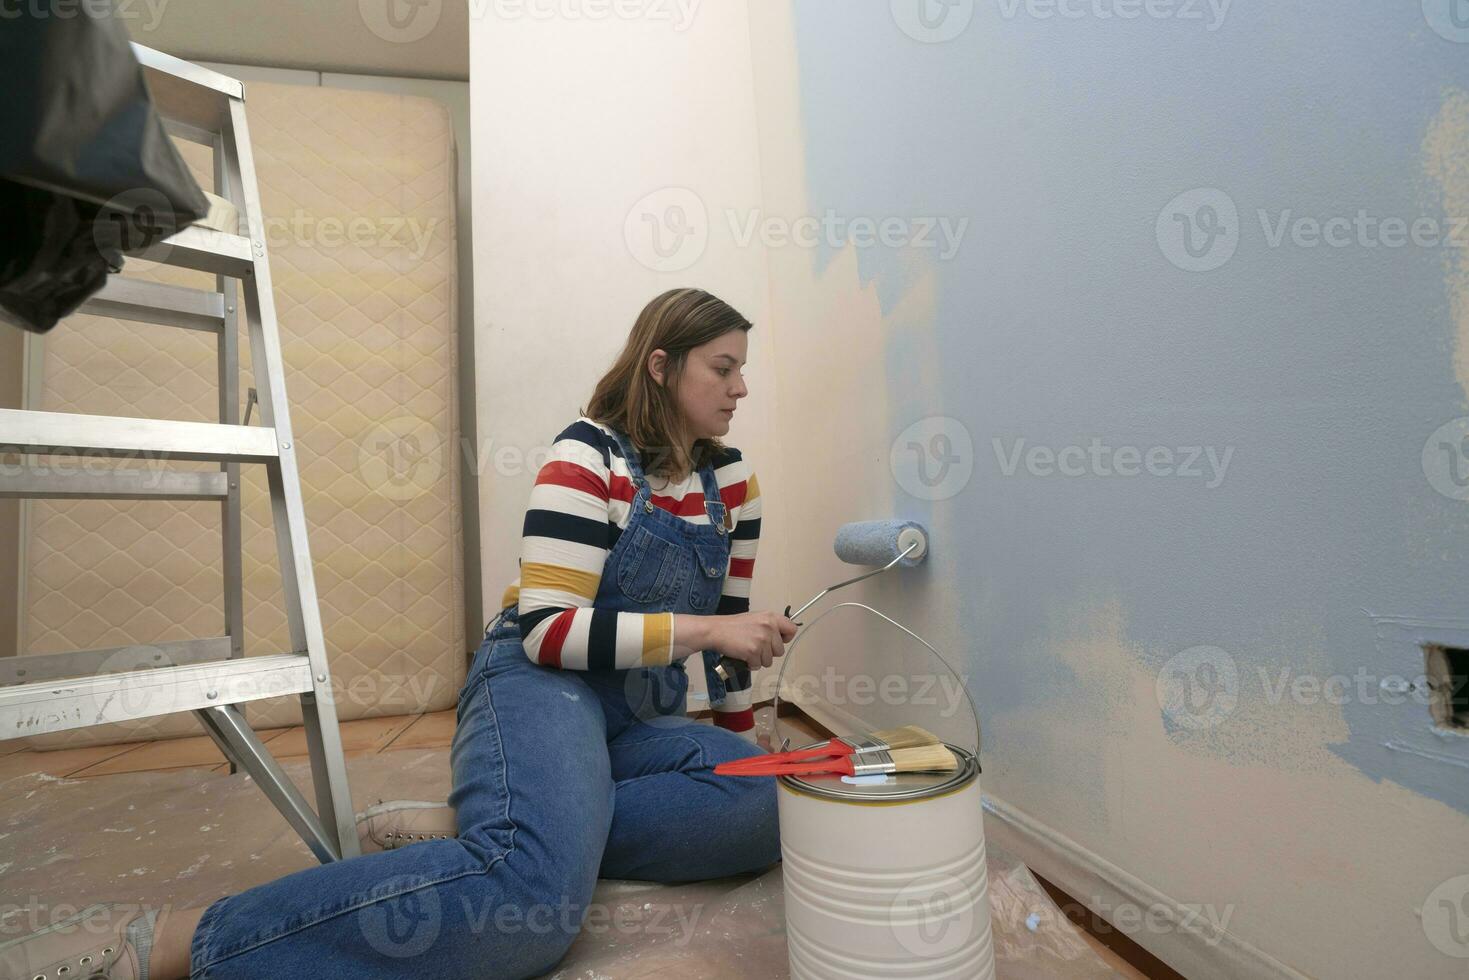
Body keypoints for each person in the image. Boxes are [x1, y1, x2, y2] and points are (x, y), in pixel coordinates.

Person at [2, 287, 798, 980]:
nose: (741, 388)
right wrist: (710, 632)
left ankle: (512, 817)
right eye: (722, 368)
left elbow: (731, 647)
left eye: (740, 369)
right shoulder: (587, 455)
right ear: (661, 366)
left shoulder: (734, 485)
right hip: (542, 686)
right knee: (531, 900)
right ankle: (176, 941)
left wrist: (742, 738)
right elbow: (551, 632)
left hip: (633, 713)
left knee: (766, 803)